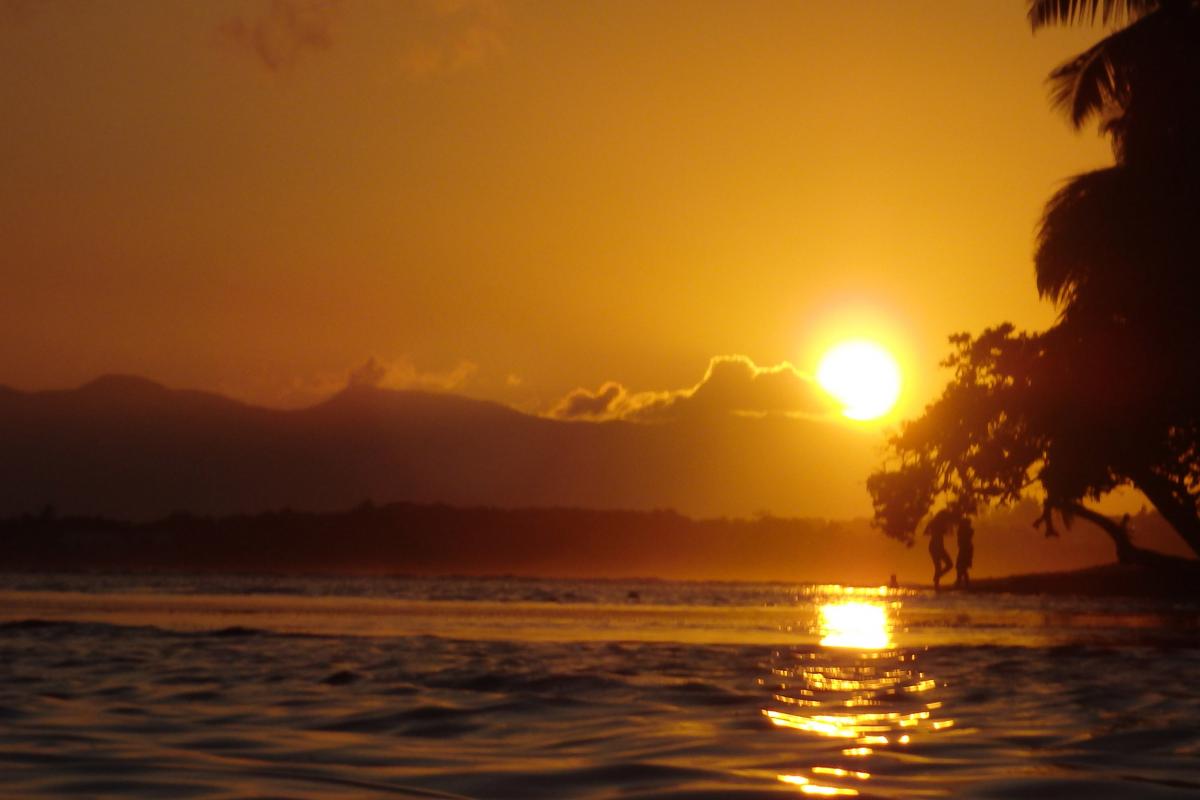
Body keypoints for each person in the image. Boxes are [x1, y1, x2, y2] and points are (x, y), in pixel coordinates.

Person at [925, 510, 954, 590]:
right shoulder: (937, 524)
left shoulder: (935, 523)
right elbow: (929, 532)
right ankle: (937, 583)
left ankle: (937, 579)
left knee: (943, 565)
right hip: (936, 546)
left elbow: (926, 532)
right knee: (942, 565)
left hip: (936, 546)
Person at [954, 516, 974, 589]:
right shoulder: (965, 530)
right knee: (961, 567)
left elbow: (962, 539)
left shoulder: (965, 531)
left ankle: (962, 582)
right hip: (964, 549)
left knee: (961, 567)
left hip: (965, 550)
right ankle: (962, 582)